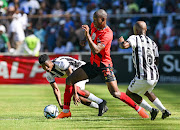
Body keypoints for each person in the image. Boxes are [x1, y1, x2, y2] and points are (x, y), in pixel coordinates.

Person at [56, 9, 149, 119]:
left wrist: (87, 37)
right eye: (93, 19)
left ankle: (139, 109)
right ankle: (66, 111)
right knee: (70, 80)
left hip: (105, 66)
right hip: (93, 64)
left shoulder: (107, 34)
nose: (93, 22)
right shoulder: (94, 26)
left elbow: (96, 50)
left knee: (116, 93)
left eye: (96, 20)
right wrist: (84, 40)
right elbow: (91, 34)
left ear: (103, 20)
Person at [118, 21, 171, 120]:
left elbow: (124, 46)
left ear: (136, 30)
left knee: (130, 94)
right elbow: (157, 60)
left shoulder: (135, 37)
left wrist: (121, 41)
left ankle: (152, 110)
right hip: (155, 76)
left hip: (143, 76)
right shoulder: (153, 42)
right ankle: (164, 111)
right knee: (147, 92)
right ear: (145, 29)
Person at [38, 54, 106, 112]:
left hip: (82, 69)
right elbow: (56, 89)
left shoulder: (60, 63)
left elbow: (71, 77)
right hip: (75, 76)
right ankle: (100, 106)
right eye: (43, 67)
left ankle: (101, 102)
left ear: (50, 61)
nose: (46, 68)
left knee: (77, 92)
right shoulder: (48, 75)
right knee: (80, 99)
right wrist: (60, 104)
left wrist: (75, 93)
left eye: (47, 65)